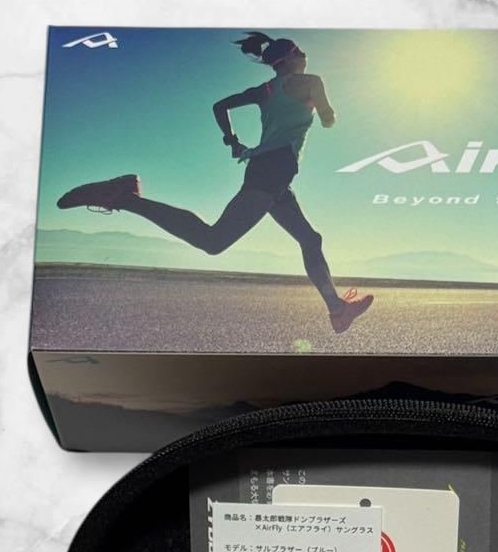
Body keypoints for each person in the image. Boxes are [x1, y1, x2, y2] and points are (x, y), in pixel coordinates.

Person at [57, 31, 373, 335]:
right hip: (273, 169)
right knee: (213, 241)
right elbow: (328, 120)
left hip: (272, 170)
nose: (305, 55)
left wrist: (232, 140)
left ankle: (337, 309)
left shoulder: (264, 90)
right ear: (290, 58)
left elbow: (219, 106)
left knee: (310, 238)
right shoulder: (311, 82)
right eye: (300, 52)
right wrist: (322, 110)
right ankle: (124, 198)